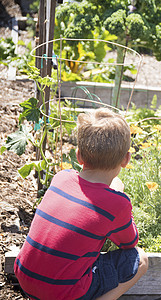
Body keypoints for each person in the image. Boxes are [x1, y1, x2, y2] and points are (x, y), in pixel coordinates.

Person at [14, 108, 148, 299]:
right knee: (140, 259)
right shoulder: (116, 203)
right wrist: (118, 192)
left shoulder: (61, 178)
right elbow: (129, 243)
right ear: (126, 159)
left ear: (78, 156)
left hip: (26, 278)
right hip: (61, 292)